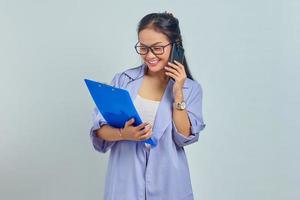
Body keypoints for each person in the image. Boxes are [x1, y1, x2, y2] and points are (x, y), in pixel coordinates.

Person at [89, 12, 206, 200]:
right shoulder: (123, 81)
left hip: (169, 185)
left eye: (157, 48)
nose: (149, 55)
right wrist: (123, 134)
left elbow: (184, 137)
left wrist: (178, 92)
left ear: (175, 46)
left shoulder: (190, 89)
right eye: (143, 48)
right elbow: (98, 132)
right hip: (125, 183)